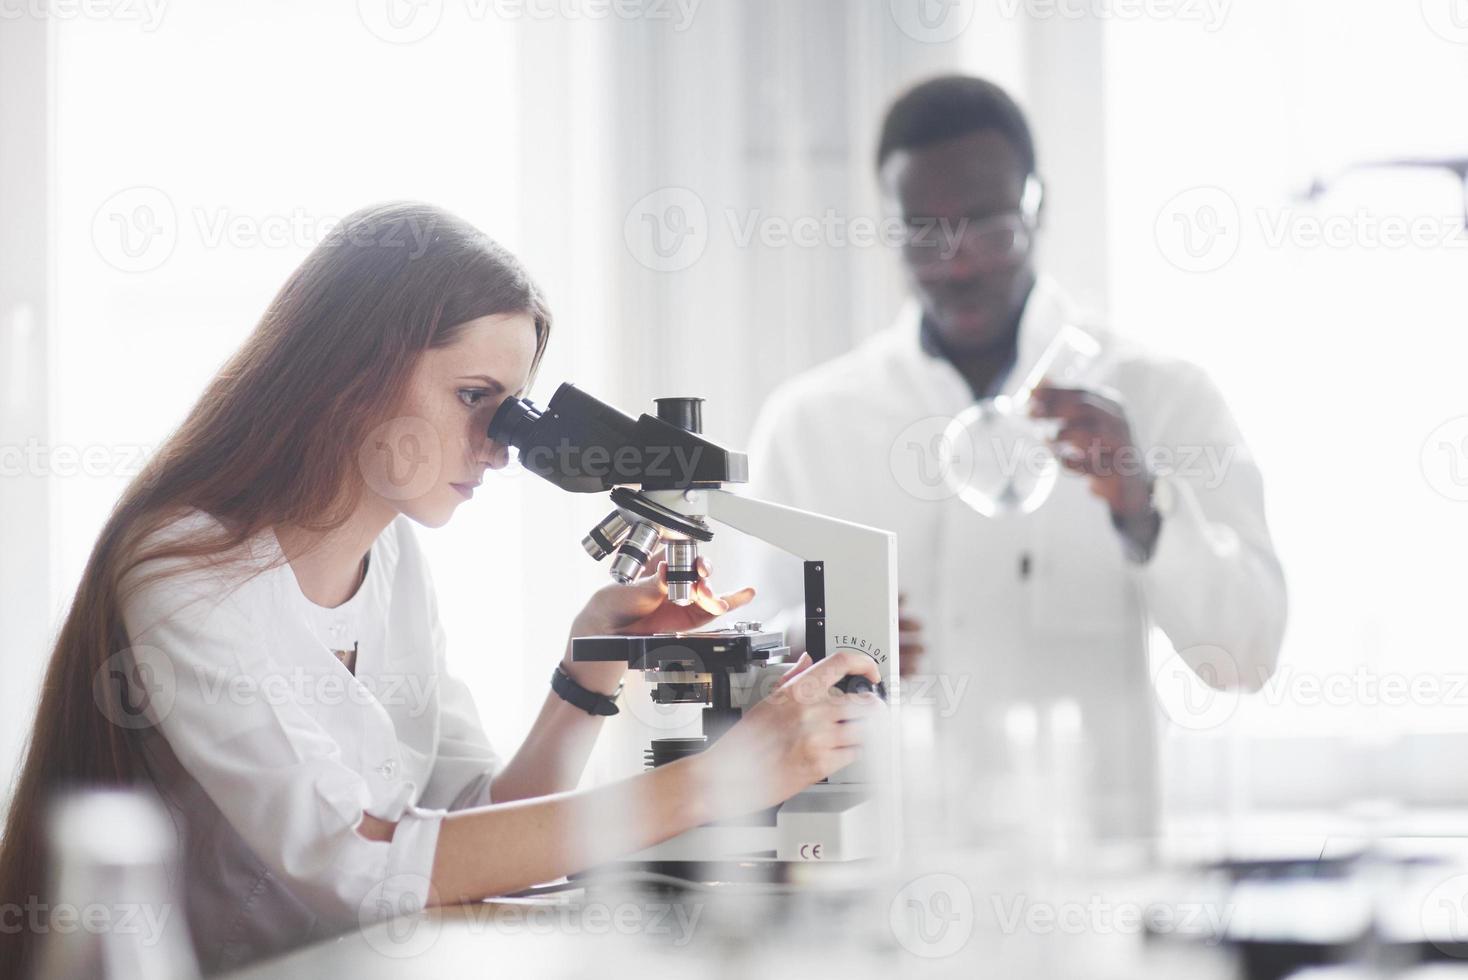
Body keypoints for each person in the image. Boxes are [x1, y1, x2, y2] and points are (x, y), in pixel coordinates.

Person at [0, 201, 884, 976]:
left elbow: (474, 830)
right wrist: (718, 783)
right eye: (475, 397)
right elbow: (362, 868)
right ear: (353, 373)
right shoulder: (185, 572)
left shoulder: (390, 559)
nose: (502, 444)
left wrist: (586, 676)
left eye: (513, 408)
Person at [731, 76, 1287, 836]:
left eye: (990, 227)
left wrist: (1141, 505)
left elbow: (1245, 657)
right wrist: (818, 641)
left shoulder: (1160, 398)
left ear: (1039, 205)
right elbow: (742, 692)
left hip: (1087, 881)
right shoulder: (810, 424)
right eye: (925, 233)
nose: (958, 265)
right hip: (877, 882)